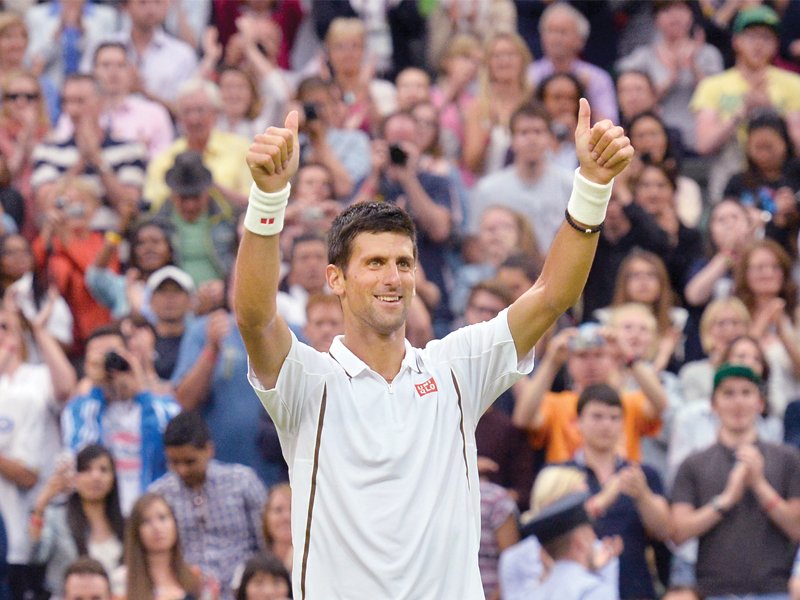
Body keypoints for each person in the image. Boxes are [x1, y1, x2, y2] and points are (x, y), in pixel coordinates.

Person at [234, 96, 633, 597]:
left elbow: (553, 294)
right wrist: (269, 199)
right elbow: (254, 316)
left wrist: (592, 187)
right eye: (374, 262)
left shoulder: (455, 369)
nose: (393, 277)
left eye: (404, 263)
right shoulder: (307, 381)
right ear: (335, 279)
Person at [670, 364, 800, 599]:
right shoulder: (694, 463)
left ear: (760, 403)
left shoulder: (787, 459)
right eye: (728, 394)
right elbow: (678, 531)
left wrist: (760, 486)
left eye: (746, 393)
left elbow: (797, 527)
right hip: (715, 591)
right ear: (714, 404)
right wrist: (726, 500)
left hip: (774, 590)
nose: (738, 402)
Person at [565, 384, 671, 599]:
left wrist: (643, 496)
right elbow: (552, 533)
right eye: (597, 417)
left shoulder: (643, 475)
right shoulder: (560, 475)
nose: (606, 425)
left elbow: (665, 531)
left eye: (614, 418)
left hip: (634, 588)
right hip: (577, 590)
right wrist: (606, 496)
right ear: (577, 423)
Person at [61, 324, 180, 513]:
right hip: (107, 516)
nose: (107, 364)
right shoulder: (80, 409)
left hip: (151, 515)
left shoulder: (163, 406)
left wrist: (141, 390)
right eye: (98, 358)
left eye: (112, 354)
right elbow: (83, 456)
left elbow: (172, 443)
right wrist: (95, 389)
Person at [149, 411, 267, 598]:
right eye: (174, 462)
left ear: (209, 450)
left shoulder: (242, 482)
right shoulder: (159, 495)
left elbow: (265, 544)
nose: (182, 470)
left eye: (190, 461)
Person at [512, 322, 666, 465]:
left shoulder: (627, 402)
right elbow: (523, 419)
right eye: (582, 355)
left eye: (599, 355)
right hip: (569, 486)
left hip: (622, 484)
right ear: (569, 363)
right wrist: (552, 361)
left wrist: (627, 354)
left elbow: (660, 404)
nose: (591, 364)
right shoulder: (556, 403)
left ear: (613, 360)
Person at [691, 4, 800, 202]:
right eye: (751, 35)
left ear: (776, 44)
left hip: (783, 188)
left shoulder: (794, 84)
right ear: (736, 41)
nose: (758, 44)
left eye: (766, 37)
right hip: (729, 188)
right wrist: (740, 113)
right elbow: (703, 144)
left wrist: (773, 111)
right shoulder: (713, 85)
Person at [469, 101, 574, 256]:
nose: (532, 139)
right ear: (512, 140)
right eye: (524, 133)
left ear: (550, 138)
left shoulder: (570, 185)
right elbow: (474, 245)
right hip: (506, 274)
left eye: (538, 132)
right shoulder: (488, 189)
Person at [29, 444, 124, 597]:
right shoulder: (57, 517)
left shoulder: (126, 524)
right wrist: (41, 504)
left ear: (113, 477)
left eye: (103, 469)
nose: (96, 476)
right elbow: (36, 553)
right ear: (74, 476)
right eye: (86, 469)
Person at [144, 79, 252, 210]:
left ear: (215, 113)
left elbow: (253, 202)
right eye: (187, 112)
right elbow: (152, 204)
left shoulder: (241, 149)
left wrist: (210, 186)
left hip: (230, 224)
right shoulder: (165, 158)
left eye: (200, 111)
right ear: (179, 118)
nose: (193, 119)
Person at [153, 150, 237, 287]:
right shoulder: (158, 222)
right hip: (171, 300)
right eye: (183, 197)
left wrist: (226, 288)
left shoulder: (228, 218)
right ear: (172, 194)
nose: (190, 206)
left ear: (207, 191)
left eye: (196, 197)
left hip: (222, 299)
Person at [111, 492, 218, 599]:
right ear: (136, 531)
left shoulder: (196, 577)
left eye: (162, 518)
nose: (157, 527)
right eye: (146, 521)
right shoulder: (122, 580)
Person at [528, 2, 618, 123]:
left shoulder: (597, 78)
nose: (556, 39)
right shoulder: (529, 75)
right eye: (550, 31)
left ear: (580, 40)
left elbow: (609, 124)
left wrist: (586, 93)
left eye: (562, 32)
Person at [524, 491, 621, 600]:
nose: (594, 537)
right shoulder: (592, 591)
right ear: (579, 541)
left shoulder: (534, 594)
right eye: (590, 533)